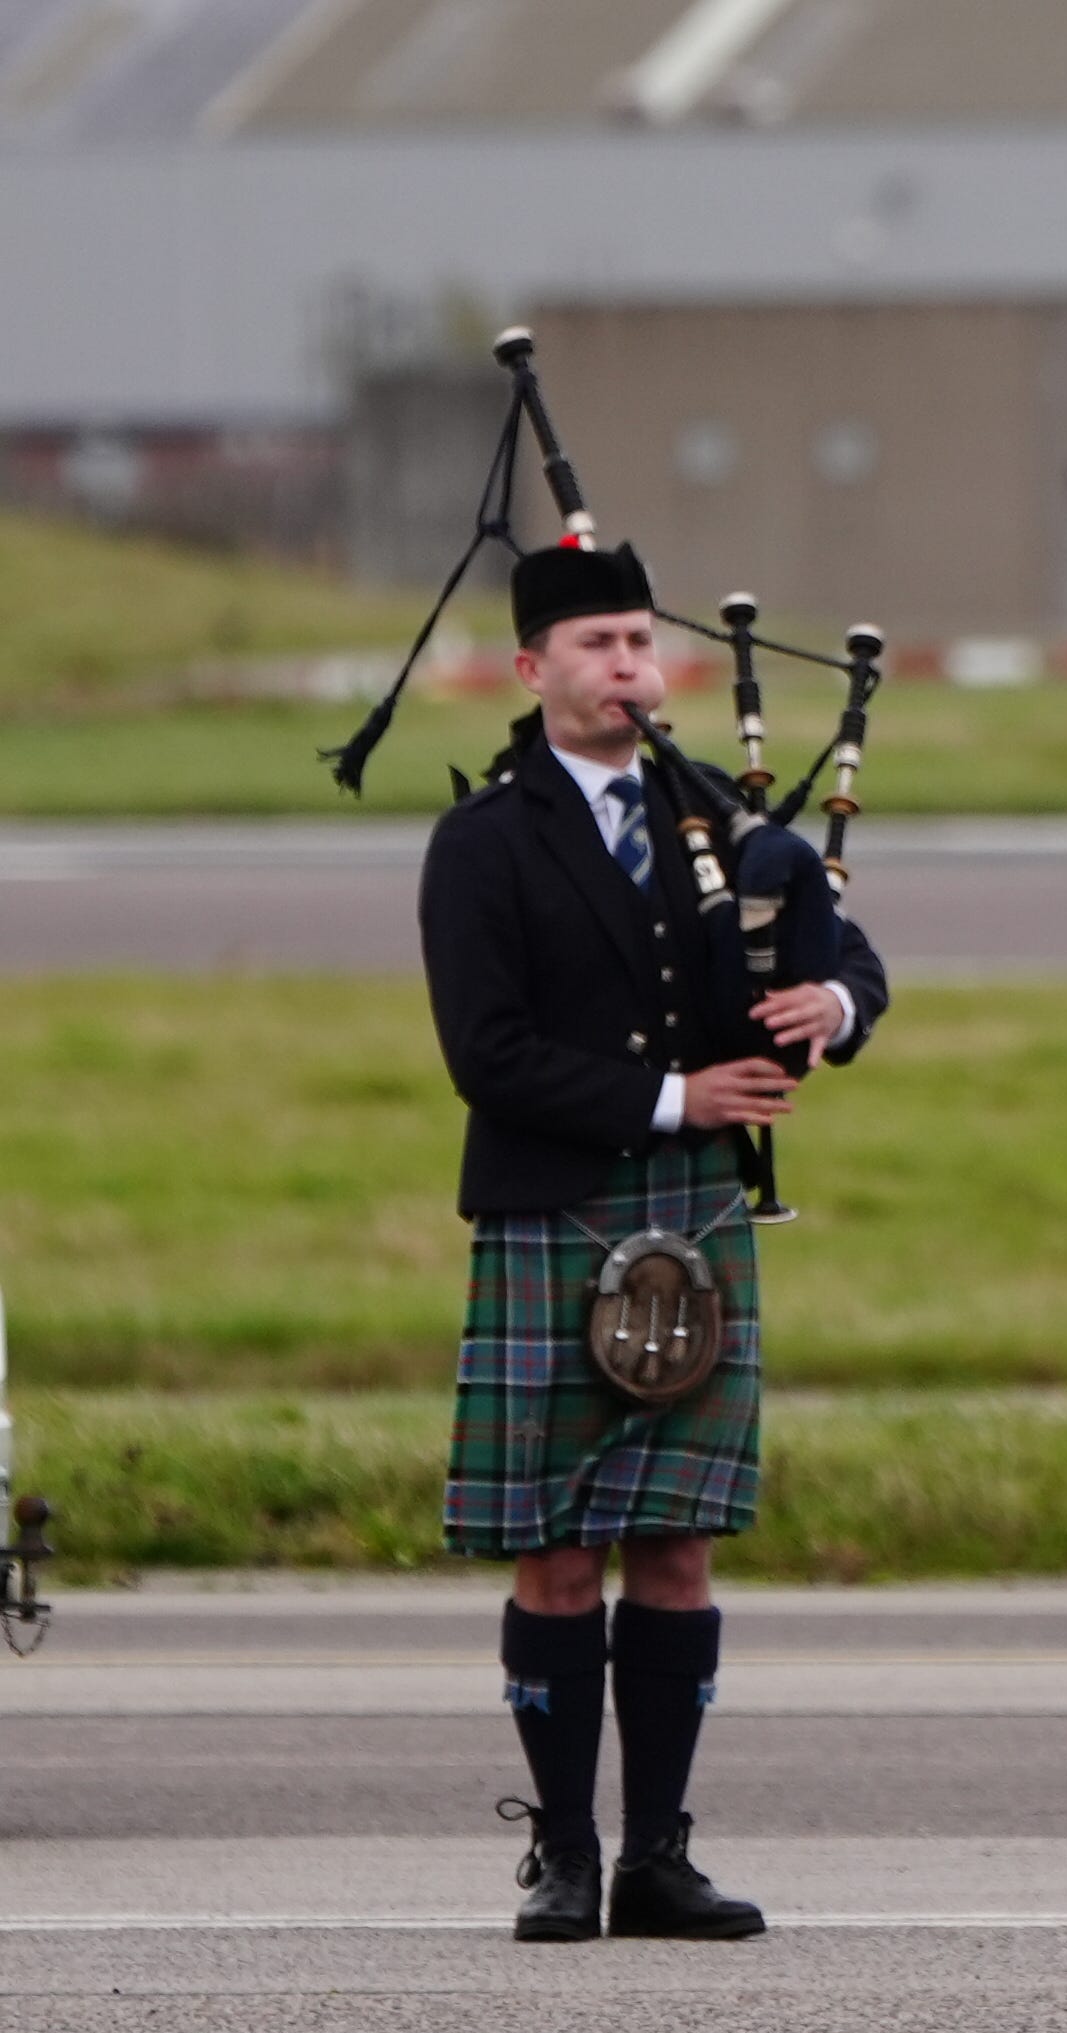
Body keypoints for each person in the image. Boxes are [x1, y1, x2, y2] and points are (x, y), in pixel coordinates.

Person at [420, 539, 887, 1944]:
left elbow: (841, 955)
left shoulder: (725, 824)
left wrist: (837, 1012)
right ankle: (563, 1853)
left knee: (675, 1549)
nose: (627, 668)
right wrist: (681, 1094)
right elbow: (483, 1052)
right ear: (532, 669)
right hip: (553, 1206)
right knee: (558, 1553)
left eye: (640, 644)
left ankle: (657, 1857)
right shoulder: (485, 841)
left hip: (691, 1216)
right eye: (597, 647)